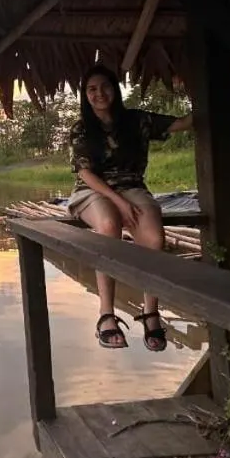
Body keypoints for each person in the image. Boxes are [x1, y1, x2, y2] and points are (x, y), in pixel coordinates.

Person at [66, 64, 193, 351]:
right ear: (85, 95)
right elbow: (84, 173)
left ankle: (150, 312)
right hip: (92, 190)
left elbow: (182, 123)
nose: (100, 94)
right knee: (109, 226)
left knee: (154, 238)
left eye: (105, 87)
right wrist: (118, 201)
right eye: (92, 89)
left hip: (133, 187)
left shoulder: (136, 120)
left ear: (116, 89)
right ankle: (106, 314)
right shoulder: (82, 128)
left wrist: (199, 93)